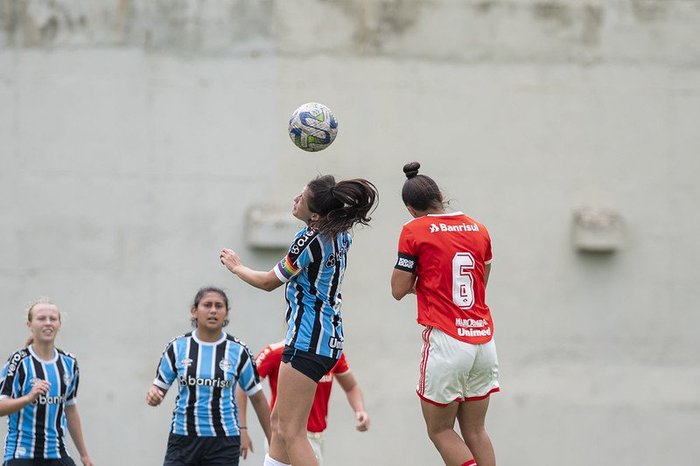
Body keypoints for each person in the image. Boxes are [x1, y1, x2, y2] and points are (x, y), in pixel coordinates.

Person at [219, 174, 378, 466]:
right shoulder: (340, 233)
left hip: (309, 339)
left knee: (292, 432)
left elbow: (269, 282)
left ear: (315, 214)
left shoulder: (309, 239)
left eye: (301, 199)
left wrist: (237, 267)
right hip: (324, 337)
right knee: (279, 422)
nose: (295, 199)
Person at [391, 162, 499, 466]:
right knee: (476, 430)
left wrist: (424, 284)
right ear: (440, 195)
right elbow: (481, 282)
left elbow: (398, 289)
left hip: (446, 340)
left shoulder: (414, 230)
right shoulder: (479, 228)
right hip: (482, 341)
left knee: (440, 430)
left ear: (411, 209)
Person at [146, 286, 271, 466]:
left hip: (224, 442)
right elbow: (158, 389)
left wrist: (274, 445)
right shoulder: (177, 348)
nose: (213, 310)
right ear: (194, 311)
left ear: (226, 313)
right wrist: (153, 396)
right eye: (207, 305)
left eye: (219, 306)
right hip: (183, 440)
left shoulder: (238, 351)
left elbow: (257, 398)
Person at [235, 340, 370, 464]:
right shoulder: (278, 352)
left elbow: (351, 386)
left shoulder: (331, 354)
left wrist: (360, 410)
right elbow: (243, 384)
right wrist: (243, 428)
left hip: (317, 437)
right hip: (289, 436)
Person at [0, 298, 94, 466]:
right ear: (29, 325)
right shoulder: (18, 361)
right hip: (21, 454)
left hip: (57, 453)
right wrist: (28, 398)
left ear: (59, 324)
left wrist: (84, 455)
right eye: (41, 318)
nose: (48, 323)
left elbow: (70, 409)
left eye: (53, 318)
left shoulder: (69, 363)